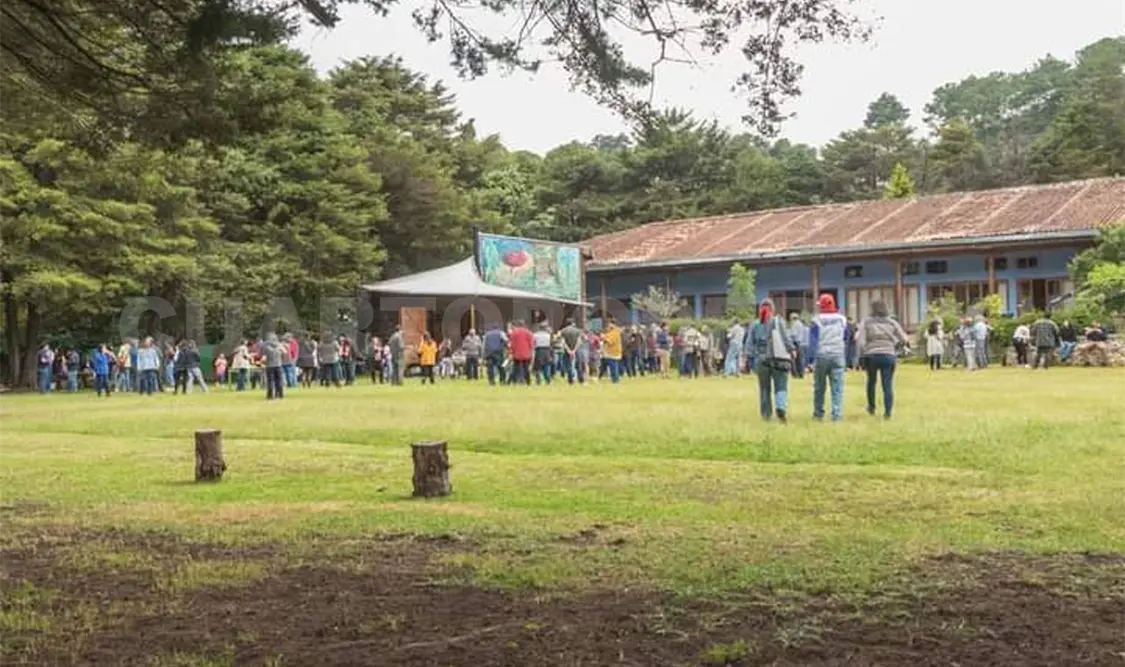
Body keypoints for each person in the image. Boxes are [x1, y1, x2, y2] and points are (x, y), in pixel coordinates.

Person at [855, 301, 909, 419]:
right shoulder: (891, 322)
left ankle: (872, 407)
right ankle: (888, 412)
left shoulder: (867, 321)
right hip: (888, 355)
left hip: (872, 355)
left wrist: (862, 354)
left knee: (871, 382)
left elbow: (860, 340)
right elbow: (904, 338)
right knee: (887, 385)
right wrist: (896, 344)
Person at [748, 299, 795, 422]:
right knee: (781, 385)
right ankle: (781, 407)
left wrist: (749, 359)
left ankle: (766, 415)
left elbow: (749, 345)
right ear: (773, 309)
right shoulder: (778, 322)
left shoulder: (755, 324)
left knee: (764, 388)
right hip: (777, 358)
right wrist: (792, 350)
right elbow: (786, 338)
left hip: (760, 360)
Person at [808, 294, 848, 421]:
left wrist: (810, 359)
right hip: (838, 355)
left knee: (819, 387)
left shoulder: (816, 319)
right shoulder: (842, 319)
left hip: (822, 355)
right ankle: (837, 414)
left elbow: (813, 340)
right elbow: (846, 337)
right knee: (837, 387)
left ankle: (818, 413)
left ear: (822, 305)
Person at [508, 320, 534, 385]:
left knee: (515, 368)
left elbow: (512, 344)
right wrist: (531, 352)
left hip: (516, 354)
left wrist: (511, 353)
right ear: (524, 325)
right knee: (526, 368)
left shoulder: (514, 333)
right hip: (526, 354)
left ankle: (513, 381)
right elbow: (531, 344)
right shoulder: (528, 332)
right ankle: (528, 382)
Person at [558, 318, 582, 384]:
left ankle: (570, 380)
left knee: (568, 365)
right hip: (576, 350)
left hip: (567, 351)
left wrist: (568, 350)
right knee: (578, 365)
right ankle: (581, 380)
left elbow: (563, 342)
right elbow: (579, 341)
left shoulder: (563, 330)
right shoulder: (577, 330)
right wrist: (574, 350)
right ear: (573, 323)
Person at [262, 333, 285, 399]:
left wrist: (262, 362)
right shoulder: (280, 346)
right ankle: (279, 394)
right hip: (278, 365)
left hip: (270, 366)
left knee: (270, 381)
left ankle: (270, 395)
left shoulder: (267, 348)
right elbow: (285, 352)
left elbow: (264, 358)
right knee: (279, 380)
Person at [601, 317, 624, 383]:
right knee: (613, 367)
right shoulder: (612, 331)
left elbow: (610, 342)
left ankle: (615, 380)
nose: (608, 326)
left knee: (613, 367)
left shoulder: (615, 332)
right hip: (612, 352)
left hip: (613, 352)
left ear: (612, 324)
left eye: (609, 324)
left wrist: (603, 337)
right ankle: (615, 380)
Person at [788, 313, 808, 379]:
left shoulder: (794, 324)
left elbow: (793, 334)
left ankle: (795, 374)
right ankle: (801, 374)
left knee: (793, 360)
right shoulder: (801, 324)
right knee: (801, 360)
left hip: (795, 343)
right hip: (802, 343)